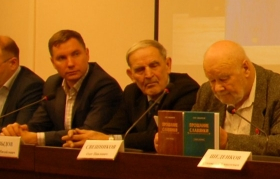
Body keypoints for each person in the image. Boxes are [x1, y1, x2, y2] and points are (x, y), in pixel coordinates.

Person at [64, 39, 199, 152]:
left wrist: (109, 140)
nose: (148, 75)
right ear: (131, 75)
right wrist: (79, 137)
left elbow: (166, 137)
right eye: (140, 70)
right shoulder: (131, 92)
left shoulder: (186, 89)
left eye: (154, 66)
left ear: (168, 65)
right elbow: (112, 130)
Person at [185, 40, 280, 158]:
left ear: (246, 68)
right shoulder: (206, 92)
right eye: (212, 80)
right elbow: (190, 141)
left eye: (223, 79)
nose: (217, 88)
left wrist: (227, 141)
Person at [1, 29, 123, 146]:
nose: (70, 63)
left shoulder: (104, 86)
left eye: (76, 54)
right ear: (53, 62)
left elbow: (86, 134)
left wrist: (36, 138)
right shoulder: (52, 83)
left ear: (87, 54)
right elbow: (40, 124)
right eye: (61, 58)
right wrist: (20, 130)